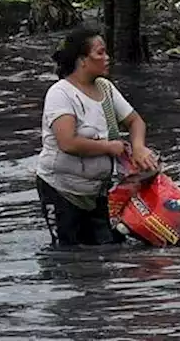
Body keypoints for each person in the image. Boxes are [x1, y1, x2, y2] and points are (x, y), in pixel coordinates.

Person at [36, 28, 159, 246]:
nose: (107, 58)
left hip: (97, 192)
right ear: (82, 60)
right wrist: (108, 147)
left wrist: (139, 147)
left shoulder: (105, 88)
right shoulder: (61, 93)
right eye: (100, 53)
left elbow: (135, 121)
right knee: (68, 253)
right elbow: (67, 143)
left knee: (108, 247)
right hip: (61, 189)